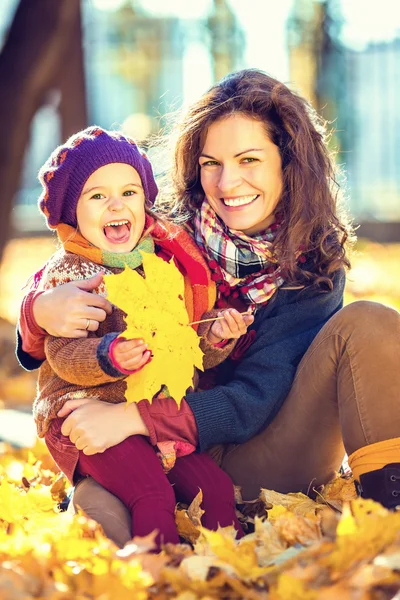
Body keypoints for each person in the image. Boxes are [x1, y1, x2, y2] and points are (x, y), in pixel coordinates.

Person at [18, 70, 400, 549]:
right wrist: (38, 312)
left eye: (249, 159)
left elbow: (257, 399)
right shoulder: (161, 235)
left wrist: (135, 418)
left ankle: (389, 520)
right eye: (211, 162)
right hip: (154, 454)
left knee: (371, 323)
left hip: (260, 457)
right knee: (101, 528)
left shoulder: (312, 263)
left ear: (289, 162)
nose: (228, 181)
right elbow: (67, 295)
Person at [28, 125, 249, 548]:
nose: (117, 204)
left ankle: (233, 570)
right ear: (72, 210)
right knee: (152, 492)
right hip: (81, 414)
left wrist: (216, 338)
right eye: (97, 196)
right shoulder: (74, 272)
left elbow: (180, 343)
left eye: (129, 193)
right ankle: (157, 576)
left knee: (216, 489)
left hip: (150, 412)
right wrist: (109, 355)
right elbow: (62, 352)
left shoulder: (160, 264)